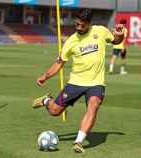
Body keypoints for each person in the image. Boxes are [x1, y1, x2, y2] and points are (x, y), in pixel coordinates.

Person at [32, 9, 124, 153]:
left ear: (89, 24)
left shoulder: (100, 31)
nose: (79, 28)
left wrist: (120, 35)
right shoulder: (71, 41)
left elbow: (116, 40)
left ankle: (78, 142)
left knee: (94, 104)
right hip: (75, 83)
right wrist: (45, 76)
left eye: (82, 25)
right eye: (77, 24)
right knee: (55, 111)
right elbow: (59, 63)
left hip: (96, 83)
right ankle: (46, 101)